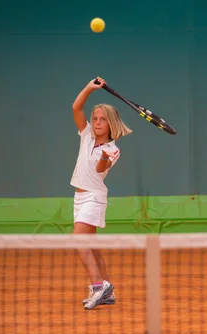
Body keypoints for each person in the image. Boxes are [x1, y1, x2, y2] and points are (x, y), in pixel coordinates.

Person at [70, 76, 133, 310]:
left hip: (94, 197)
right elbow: (76, 107)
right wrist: (88, 88)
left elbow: (100, 169)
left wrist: (105, 158)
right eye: (95, 118)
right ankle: (107, 290)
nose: (96, 122)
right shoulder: (85, 135)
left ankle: (98, 286)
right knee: (91, 246)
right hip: (79, 198)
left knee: (77, 241)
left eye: (102, 119)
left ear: (111, 124)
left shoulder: (112, 149)